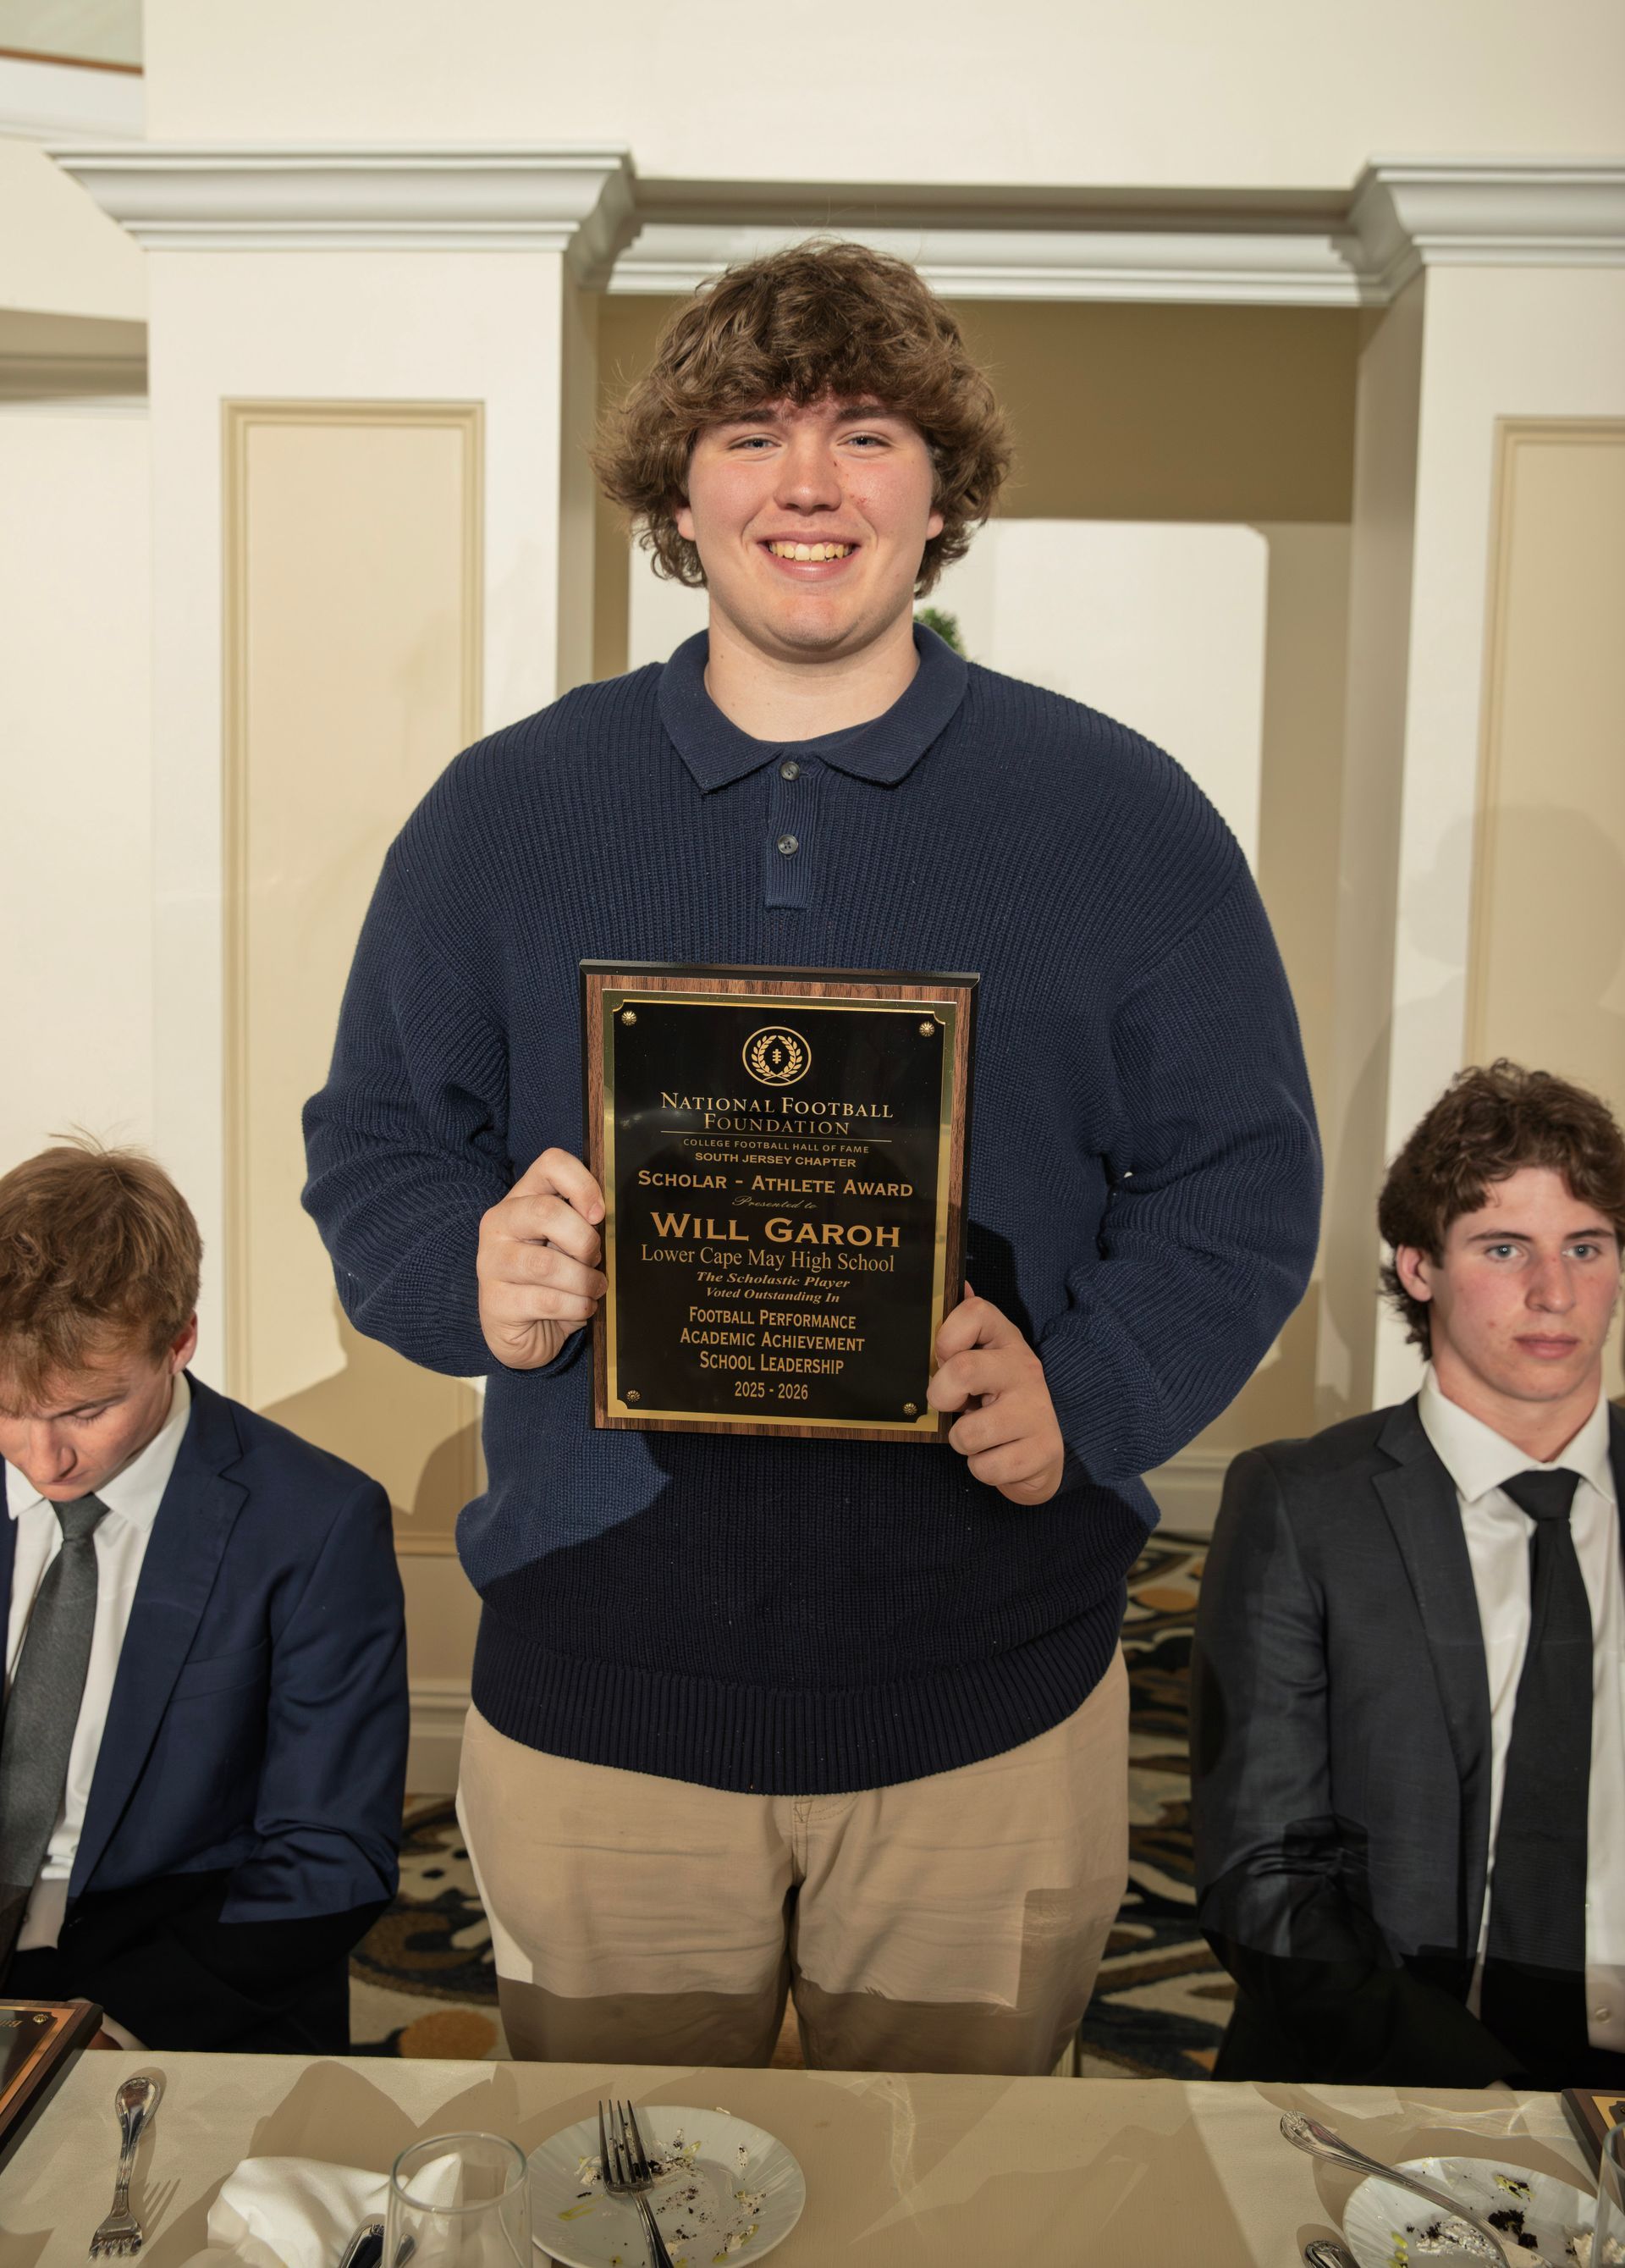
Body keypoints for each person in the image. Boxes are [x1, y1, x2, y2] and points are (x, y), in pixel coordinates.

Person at [304, 238, 1319, 2075]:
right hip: (604, 1695)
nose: (809, 483)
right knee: (611, 2196)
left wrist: (1086, 1391)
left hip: (987, 1709)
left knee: (954, 2213)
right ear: (676, 491)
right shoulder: (509, 811)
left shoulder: (1118, 815)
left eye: (867, 433)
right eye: (752, 433)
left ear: (944, 496)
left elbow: (1242, 1175)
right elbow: (375, 1135)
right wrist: (465, 1263)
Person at [1193, 1060, 1625, 2088]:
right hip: (1394, 2063)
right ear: (1420, 1267)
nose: (1553, 1292)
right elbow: (1266, 1877)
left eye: (1587, 1247)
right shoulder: (1302, 1506)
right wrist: (1477, 2101)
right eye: (1504, 1247)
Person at [0, 1141, 407, 2051]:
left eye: (86, 1411)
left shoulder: (316, 1521)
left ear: (179, 1342)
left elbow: (330, 1858)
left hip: (172, 1974)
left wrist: (123, 2029)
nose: (41, 1458)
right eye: (10, 1410)